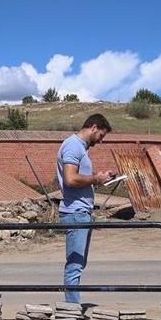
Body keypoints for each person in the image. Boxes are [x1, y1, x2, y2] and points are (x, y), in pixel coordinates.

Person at [56, 113, 116, 303]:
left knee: (78, 264)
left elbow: (79, 178)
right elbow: (71, 179)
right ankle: (72, 311)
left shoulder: (80, 148)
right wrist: (96, 178)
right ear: (93, 127)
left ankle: (72, 308)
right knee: (74, 266)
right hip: (75, 213)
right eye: (101, 136)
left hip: (80, 212)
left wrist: (101, 177)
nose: (101, 141)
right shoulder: (74, 146)